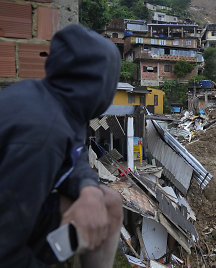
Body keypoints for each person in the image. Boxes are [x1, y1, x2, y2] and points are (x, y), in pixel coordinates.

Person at [0, 24, 123, 267]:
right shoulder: (42, 136)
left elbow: (74, 155)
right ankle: (53, 253)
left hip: (21, 212)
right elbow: (5, 249)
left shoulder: (56, 100)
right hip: (10, 239)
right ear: (101, 84)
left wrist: (88, 190)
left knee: (107, 202)